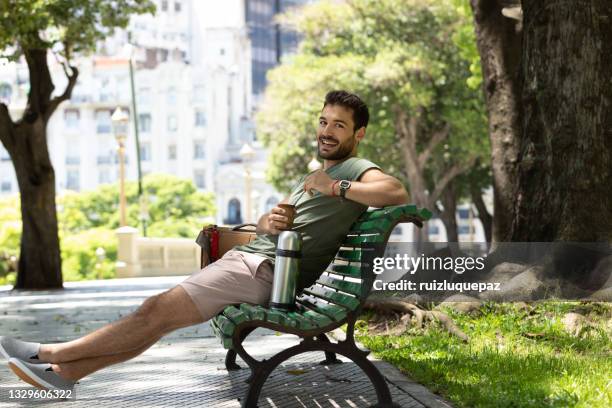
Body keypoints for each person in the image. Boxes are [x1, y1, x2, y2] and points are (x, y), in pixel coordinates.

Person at [0, 90, 409, 391]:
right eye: (324, 121)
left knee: (154, 311)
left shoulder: (354, 167)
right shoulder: (319, 173)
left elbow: (396, 192)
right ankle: (65, 376)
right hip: (257, 259)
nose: (327, 131)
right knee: (156, 318)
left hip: (263, 271)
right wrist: (270, 221)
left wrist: (336, 187)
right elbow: (281, 223)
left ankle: (49, 354)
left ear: (359, 134)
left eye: (339, 125)